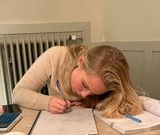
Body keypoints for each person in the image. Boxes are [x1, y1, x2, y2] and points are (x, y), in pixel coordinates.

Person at [13, 45, 142, 118]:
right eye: (85, 85)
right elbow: (18, 93)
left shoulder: (107, 82)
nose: (84, 95)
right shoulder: (56, 56)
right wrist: (47, 102)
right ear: (80, 61)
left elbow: (129, 103)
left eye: (94, 93)